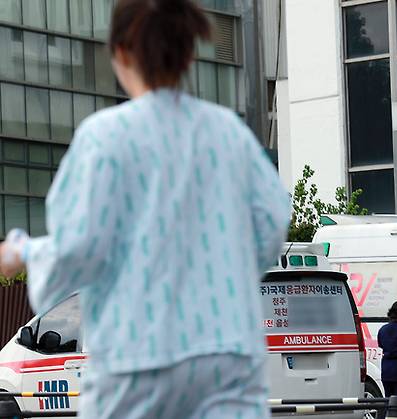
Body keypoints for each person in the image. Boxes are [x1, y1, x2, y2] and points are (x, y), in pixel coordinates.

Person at [0, 0, 291, 418]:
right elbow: (269, 226)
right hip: (225, 363)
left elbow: (78, 249)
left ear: (119, 53)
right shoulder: (229, 133)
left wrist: (21, 251)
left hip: (135, 368)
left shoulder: (104, 139)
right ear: (189, 53)